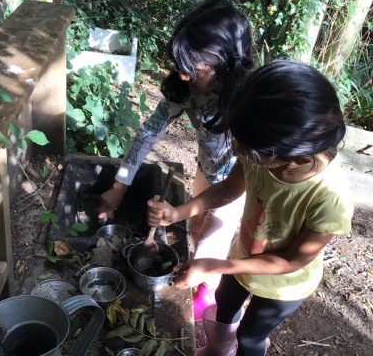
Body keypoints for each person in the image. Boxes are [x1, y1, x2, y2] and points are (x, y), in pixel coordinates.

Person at [147, 60, 354, 356]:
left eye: (245, 147)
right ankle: (219, 349)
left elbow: (290, 261)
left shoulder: (330, 199)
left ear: (294, 156)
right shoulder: (260, 147)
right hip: (242, 256)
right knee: (224, 303)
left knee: (250, 336)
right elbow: (228, 189)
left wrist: (217, 265)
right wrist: (179, 213)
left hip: (284, 285)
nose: (236, 149)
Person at [97, 0, 254, 320]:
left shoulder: (248, 99)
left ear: (225, 63)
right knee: (194, 229)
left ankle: (203, 303)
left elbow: (232, 187)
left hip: (237, 184)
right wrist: (119, 186)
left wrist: (180, 212)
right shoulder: (188, 88)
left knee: (209, 248)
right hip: (207, 172)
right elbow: (147, 133)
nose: (183, 76)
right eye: (181, 66)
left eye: (194, 69)